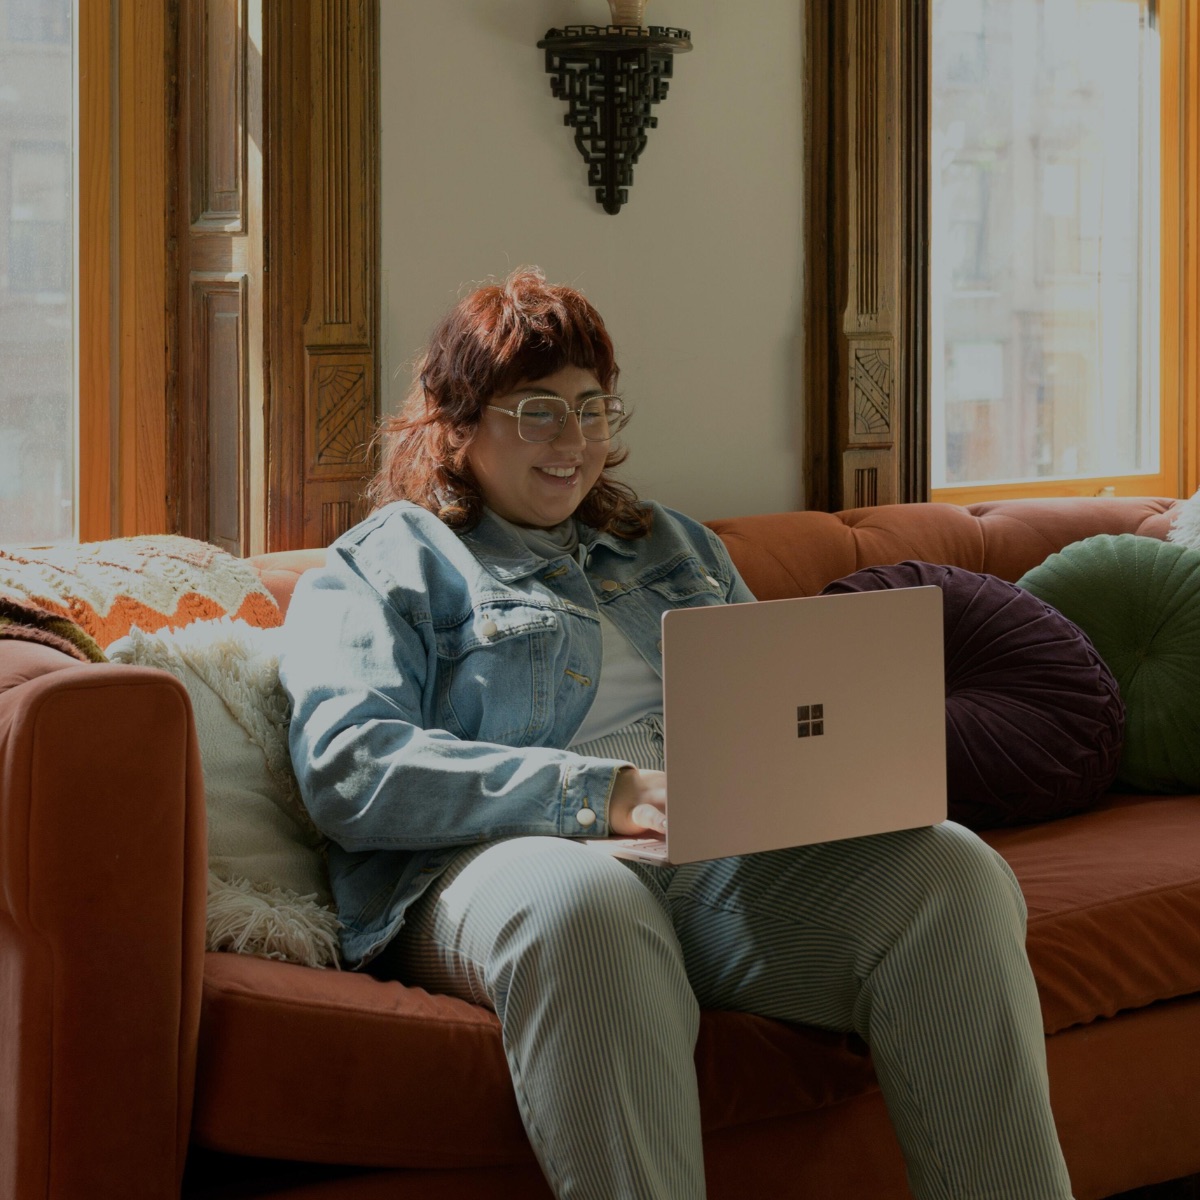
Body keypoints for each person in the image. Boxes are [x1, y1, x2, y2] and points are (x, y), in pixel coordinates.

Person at [280, 268, 1075, 1200]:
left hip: (700, 844)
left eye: (593, 409)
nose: (573, 442)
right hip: (491, 855)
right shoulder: (386, 566)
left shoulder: (673, 545)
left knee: (950, 869)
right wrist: (600, 795)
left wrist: (820, 785)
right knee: (586, 906)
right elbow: (351, 767)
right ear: (457, 424)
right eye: (537, 410)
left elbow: (765, 707)